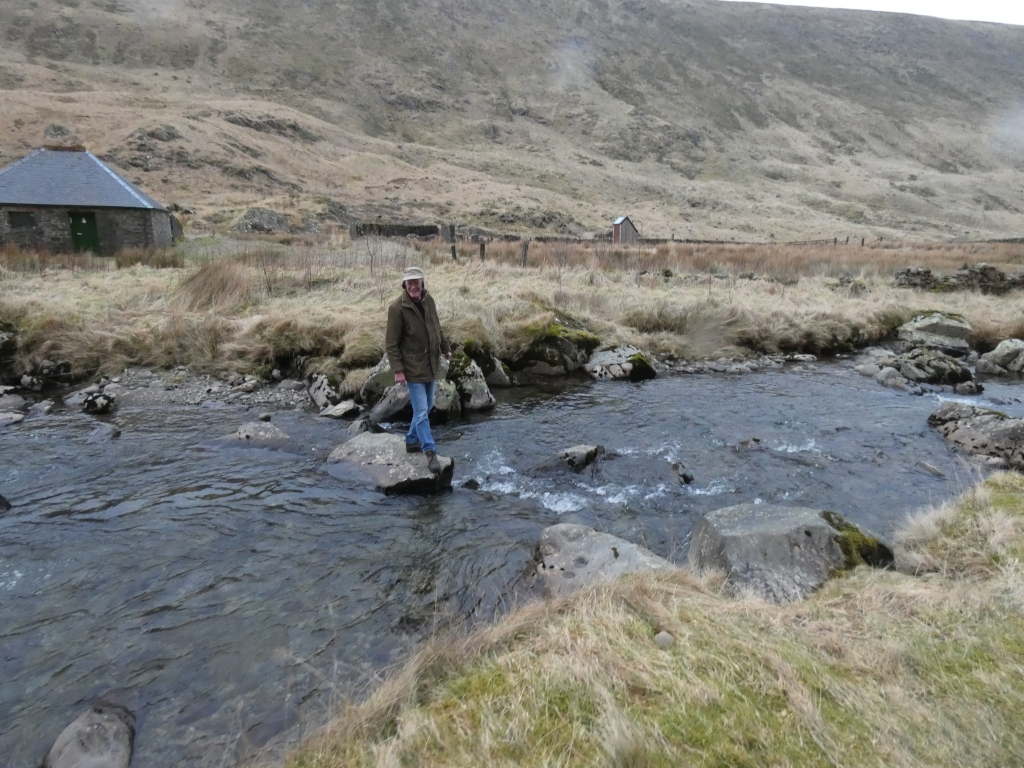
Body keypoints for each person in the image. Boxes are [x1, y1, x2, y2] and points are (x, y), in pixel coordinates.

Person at [385, 266, 451, 473]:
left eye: (417, 282)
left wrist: (445, 348)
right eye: (409, 282)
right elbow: (391, 344)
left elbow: (437, 327)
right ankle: (430, 452)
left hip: (431, 364)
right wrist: (398, 370)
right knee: (421, 411)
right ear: (404, 284)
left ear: (423, 283)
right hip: (412, 368)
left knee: (428, 405)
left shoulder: (428, 300)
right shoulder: (397, 308)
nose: (413, 286)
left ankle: (412, 439)